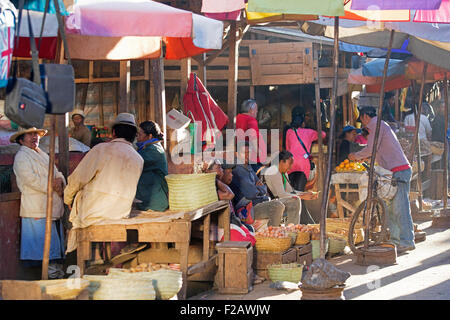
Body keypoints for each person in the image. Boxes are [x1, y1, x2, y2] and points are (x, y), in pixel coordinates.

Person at [64, 113, 144, 253]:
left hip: (92, 212)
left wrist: (67, 198)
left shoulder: (100, 149)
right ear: (134, 135)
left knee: (69, 214)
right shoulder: (138, 159)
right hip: (119, 213)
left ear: (113, 132)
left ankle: (80, 260)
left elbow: (77, 179)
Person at [348, 106, 415, 253]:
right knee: (390, 209)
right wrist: (364, 156)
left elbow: (371, 149)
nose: (363, 124)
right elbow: (375, 150)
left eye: (362, 120)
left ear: (365, 116)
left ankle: (407, 241)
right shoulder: (380, 126)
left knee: (400, 208)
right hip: (393, 172)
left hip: (399, 170)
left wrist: (356, 156)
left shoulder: (376, 126)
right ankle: (396, 241)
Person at [11, 127, 66, 279]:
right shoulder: (21, 157)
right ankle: (49, 279)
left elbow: (57, 173)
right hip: (37, 208)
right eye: (30, 134)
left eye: (36, 134)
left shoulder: (42, 154)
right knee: (44, 250)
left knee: (53, 248)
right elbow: (31, 180)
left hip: (52, 207)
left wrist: (60, 181)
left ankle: (55, 276)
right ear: (21, 139)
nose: (34, 137)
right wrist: (52, 184)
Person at [230, 142, 298, 226]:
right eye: (244, 153)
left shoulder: (248, 167)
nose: (247, 156)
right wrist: (258, 188)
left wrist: (257, 188)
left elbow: (263, 188)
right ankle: (273, 235)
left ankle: (292, 232)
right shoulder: (237, 169)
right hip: (250, 207)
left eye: (249, 153)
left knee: (294, 201)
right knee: (277, 206)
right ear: (236, 154)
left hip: (261, 201)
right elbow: (250, 194)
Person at [285, 113, 326, 192]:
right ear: (303, 123)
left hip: (291, 162)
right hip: (303, 163)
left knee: (291, 189)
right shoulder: (309, 132)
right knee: (300, 191)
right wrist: (318, 128)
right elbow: (323, 134)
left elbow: (288, 148)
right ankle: (300, 203)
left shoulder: (289, 132)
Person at [135, 121, 169, 212]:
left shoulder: (153, 150)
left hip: (155, 204)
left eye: (140, 134)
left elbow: (134, 161)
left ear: (149, 136)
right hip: (149, 201)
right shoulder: (148, 147)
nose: (137, 138)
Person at [235, 99, 267, 173]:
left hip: (241, 156)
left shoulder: (238, 118)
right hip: (252, 158)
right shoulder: (251, 120)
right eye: (256, 109)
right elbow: (252, 136)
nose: (257, 112)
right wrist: (258, 152)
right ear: (251, 110)